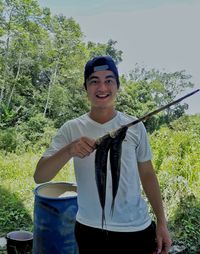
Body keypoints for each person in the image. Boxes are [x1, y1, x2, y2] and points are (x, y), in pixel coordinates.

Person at [34, 56, 172, 254]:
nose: (102, 88)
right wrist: (69, 150)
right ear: (85, 88)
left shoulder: (135, 126)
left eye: (109, 80)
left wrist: (161, 222)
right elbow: (40, 176)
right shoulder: (72, 128)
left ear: (117, 85)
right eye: (94, 81)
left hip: (136, 228)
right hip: (90, 230)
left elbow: (148, 174)